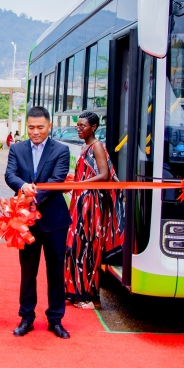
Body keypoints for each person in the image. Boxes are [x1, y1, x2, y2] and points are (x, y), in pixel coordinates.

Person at [5, 105, 72, 339]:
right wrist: (22, 186)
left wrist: (35, 196)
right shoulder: (17, 149)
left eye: (40, 127)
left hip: (54, 221)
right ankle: (26, 317)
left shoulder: (61, 150)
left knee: (55, 272)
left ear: (49, 127)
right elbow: (10, 175)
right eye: (31, 127)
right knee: (28, 271)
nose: (35, 132)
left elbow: (58, 178)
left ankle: (56, 319)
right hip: (25, 223)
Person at [64, 111, 124, 309]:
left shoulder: (97, 146)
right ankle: (76, 292)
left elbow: (104, 175)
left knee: (88, 248)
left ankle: (90, 297)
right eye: (78, 125)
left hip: (92, 204)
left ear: (94, 127)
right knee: (76, 247)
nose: (79, 128)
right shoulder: (84, 146)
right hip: (81, 200)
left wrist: (80, 184)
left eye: (83, 125)